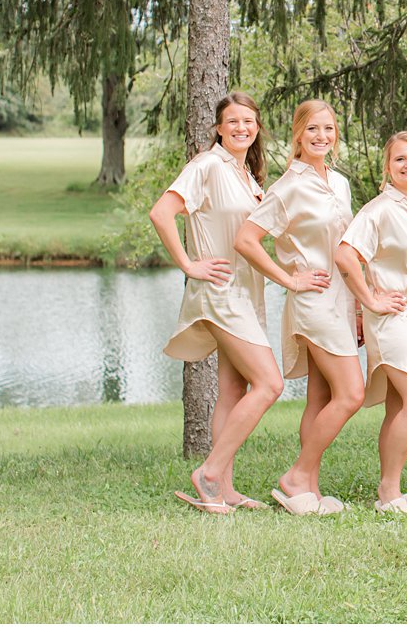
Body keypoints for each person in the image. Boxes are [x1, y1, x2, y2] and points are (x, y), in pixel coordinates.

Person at [151, 92, 283, 514]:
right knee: (270, 384)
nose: (242, 127)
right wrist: (189, 265)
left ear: (257, 128)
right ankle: (208, 472)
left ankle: (224, 489)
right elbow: (161, 212)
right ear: (219, 128)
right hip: (221, 292)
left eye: (249, 121)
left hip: (248, 293)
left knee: (232, 389)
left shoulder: (248, 176)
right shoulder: (207, 165)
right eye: (233, 121)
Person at [235, 100, 363, 516]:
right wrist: (289, 279)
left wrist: (360, 304)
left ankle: (307, 488)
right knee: (351, 394)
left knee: (321, 396)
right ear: (298, 134)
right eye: (313, 129)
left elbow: (346, 249)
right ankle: (296, 474)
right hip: (313, 302)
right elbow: (246, 240)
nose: (321, 136)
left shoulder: (338, 183)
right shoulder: (289, 186)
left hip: (341, 300)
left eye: (328, 129)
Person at [338, 131, 407, 514]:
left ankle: (393, 490)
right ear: (388, 167)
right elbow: (346, 256)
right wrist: (369, 301)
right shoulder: (377, 210)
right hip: (392, 319)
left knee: (399, 406)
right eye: (400, 159)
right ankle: (388, 492)